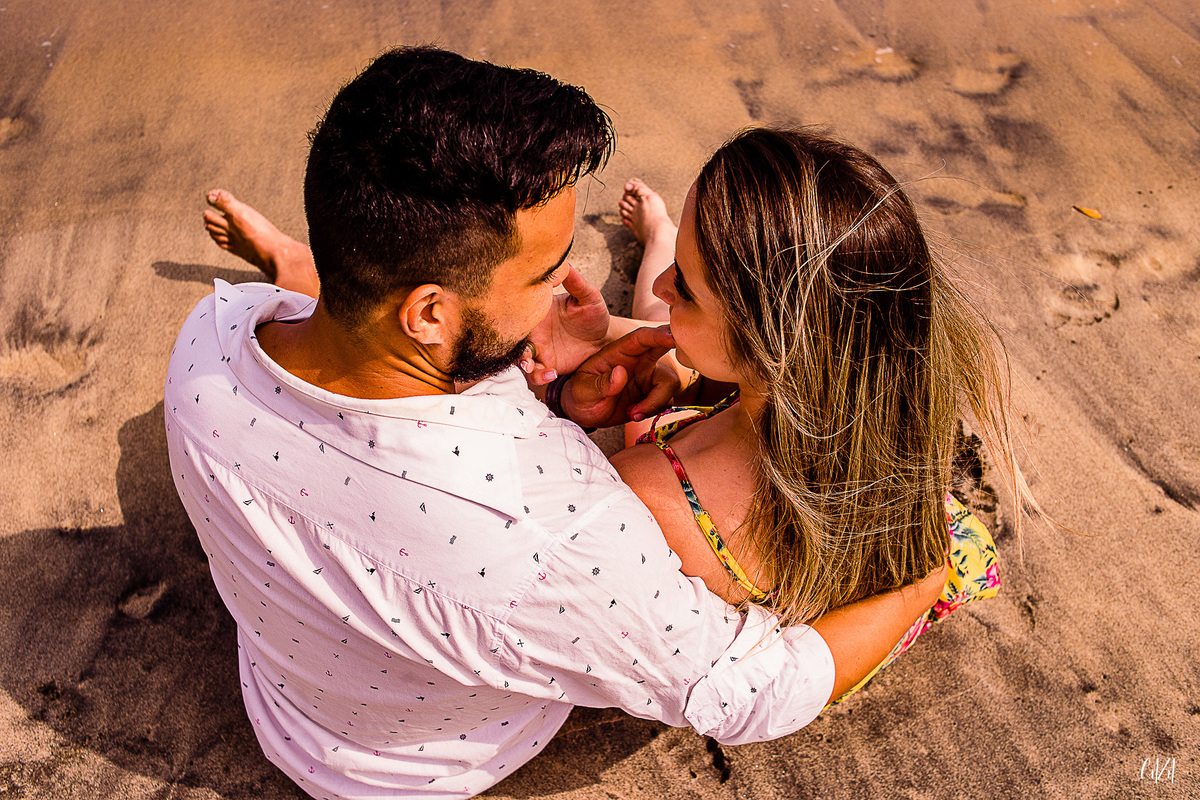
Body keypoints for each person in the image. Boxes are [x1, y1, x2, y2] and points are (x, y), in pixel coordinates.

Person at [172, 47, 945, 800]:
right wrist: (923, 585)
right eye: (545, 275)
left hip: (286, 694)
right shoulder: (553, 533)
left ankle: (304, 265)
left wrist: (549, 395)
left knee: (350, 307)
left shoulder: (211, 336)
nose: (558, 297)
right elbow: (747, 691)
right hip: (410, 771)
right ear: (431, 314)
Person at [605, 128, 1035, 695]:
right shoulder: (895, 387)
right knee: (667, 346)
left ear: (771, 340)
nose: (667, 286)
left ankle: (662, 235)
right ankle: (670, 247)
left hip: (797, 662)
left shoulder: (649, 486)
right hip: (872, 610)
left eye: (684, 285)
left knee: (651, 353)